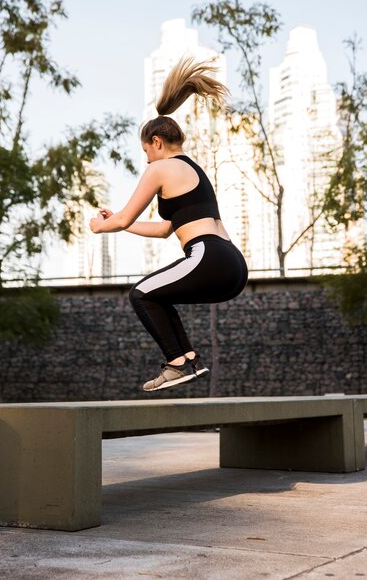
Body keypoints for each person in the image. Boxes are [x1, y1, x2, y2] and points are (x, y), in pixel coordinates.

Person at [89, 57, 248, 392]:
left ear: (156, 143)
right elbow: (163, 229)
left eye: (145, 150)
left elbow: (126, 217)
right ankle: (188, 359)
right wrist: (120, 222)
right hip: (232, 265)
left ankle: (176, 364)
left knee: (141, 294)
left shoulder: (160, 168)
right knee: (157, 295)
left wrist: (101, 225)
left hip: (207, 256)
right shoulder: (193, 170)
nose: (145, 157)